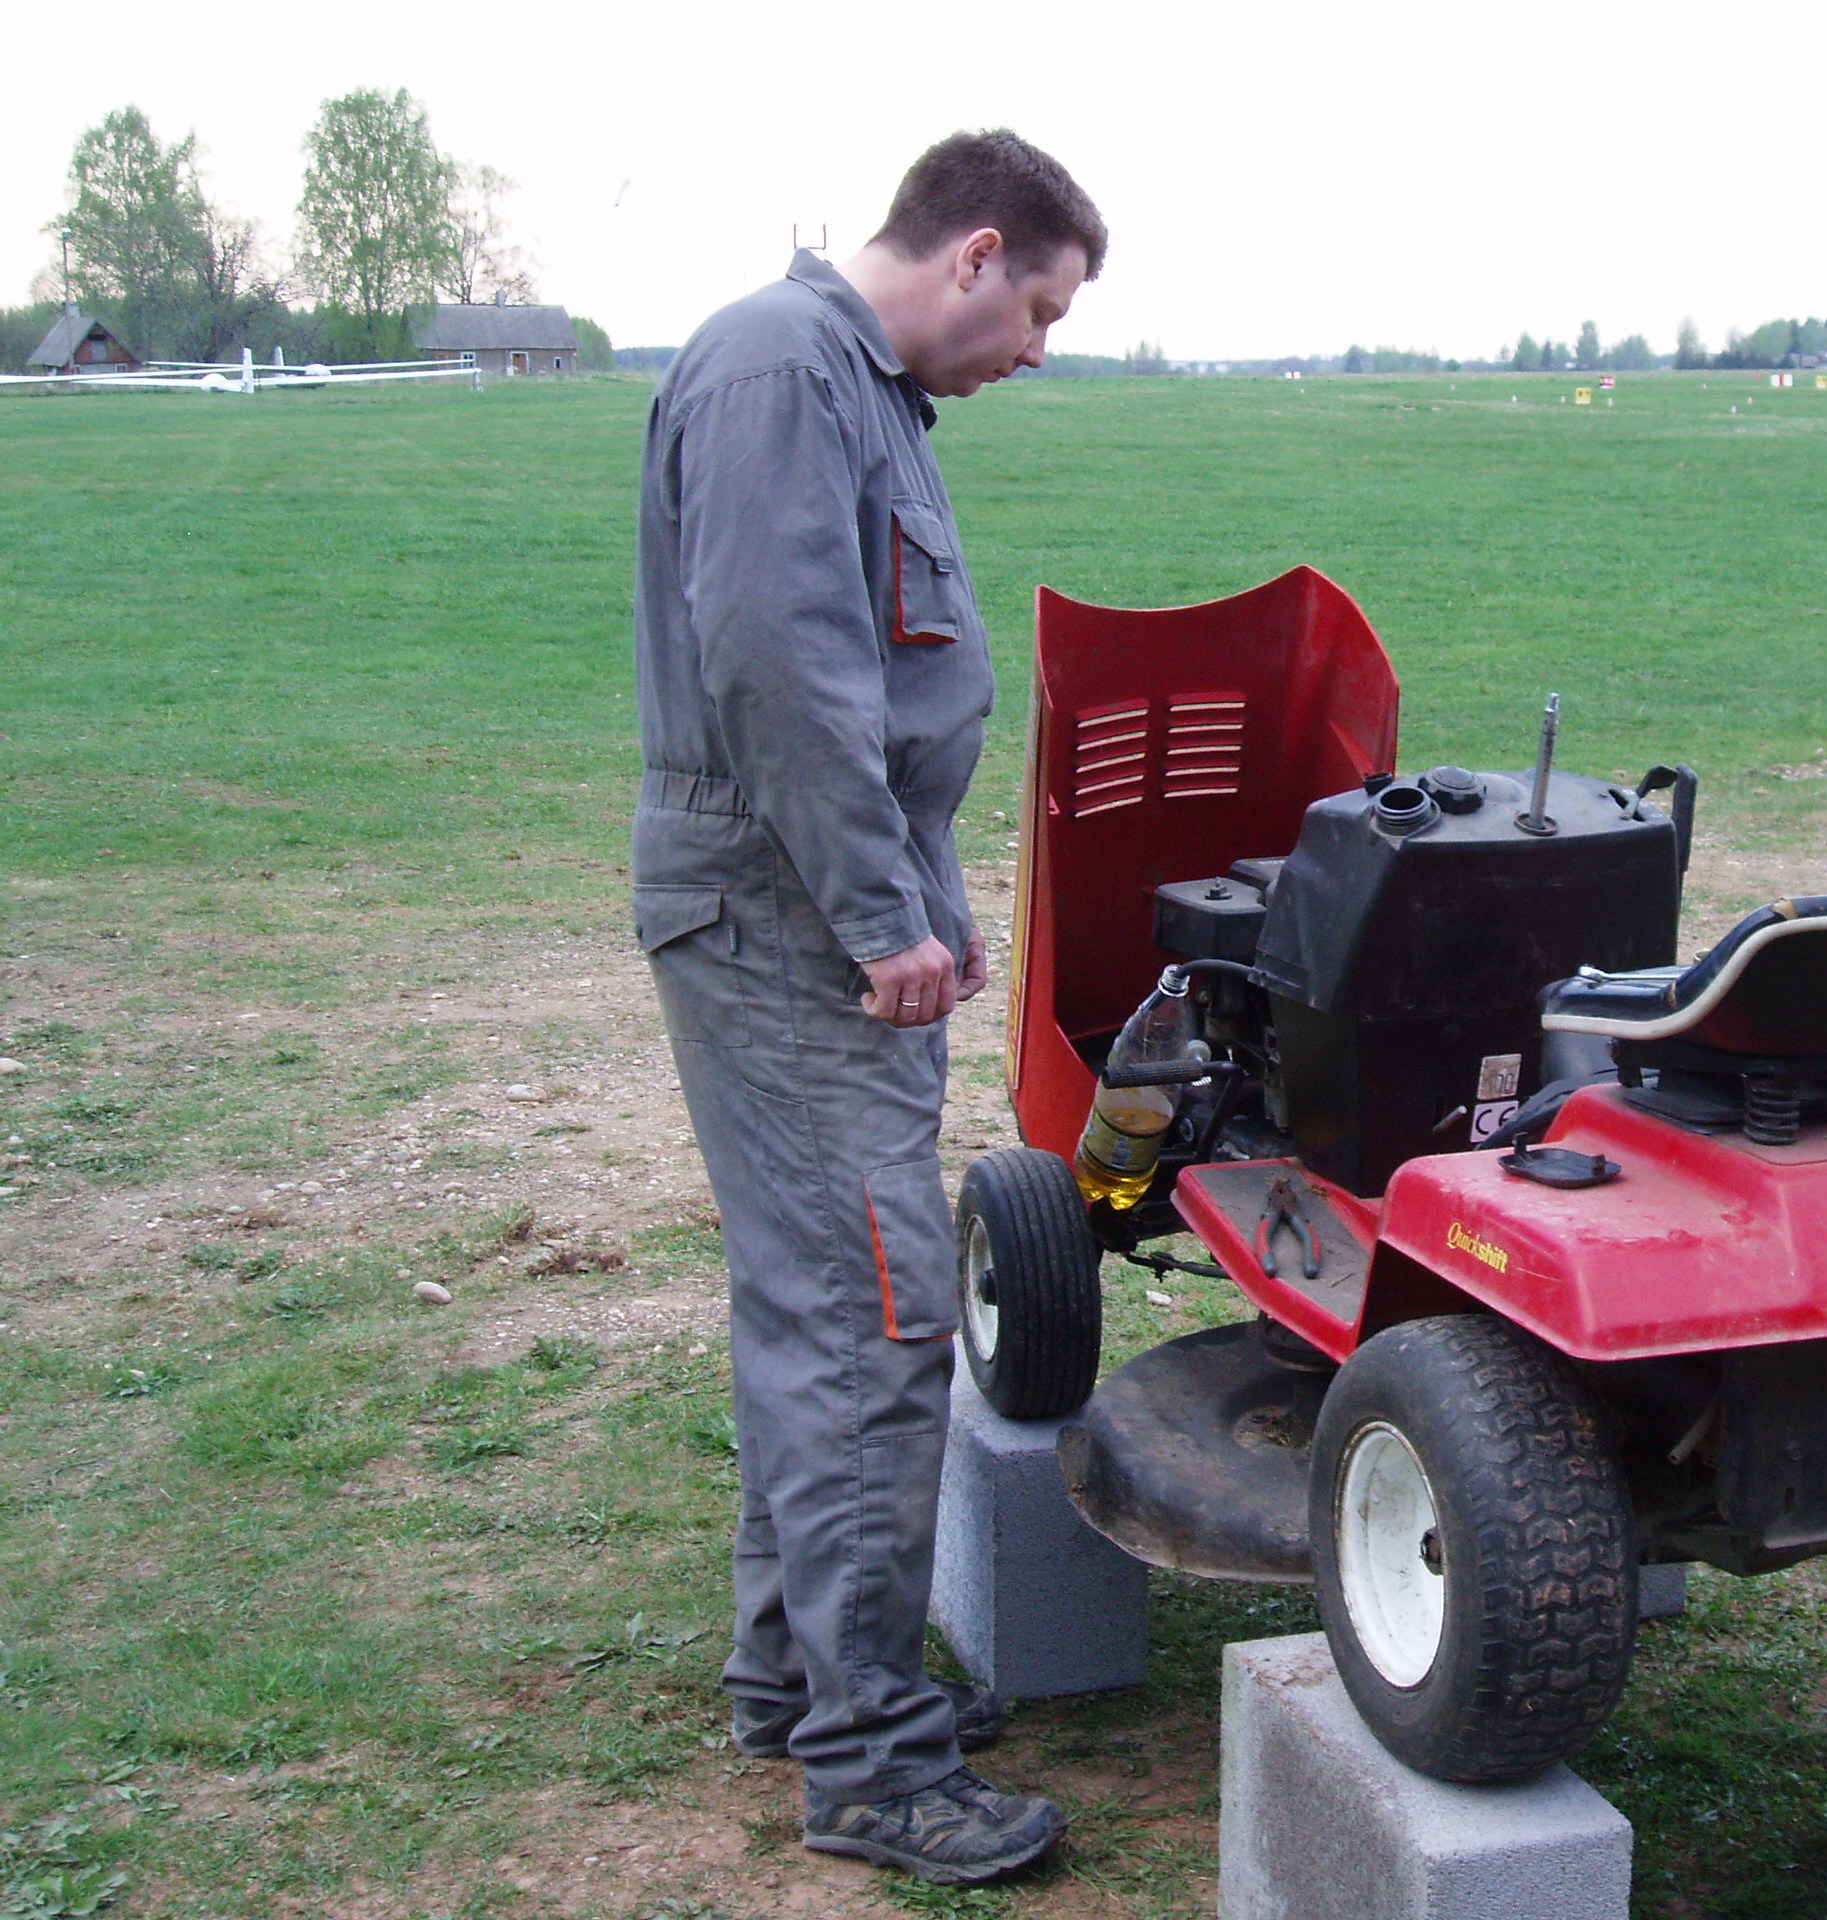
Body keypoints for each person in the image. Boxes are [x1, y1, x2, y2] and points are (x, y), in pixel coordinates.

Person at [629, 129, 1104, 1886]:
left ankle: (799, 1679)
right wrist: (874, 914)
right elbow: (780, 672)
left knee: (822, 1303)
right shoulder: (781, 368)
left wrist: (935, 904)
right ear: (974, 254)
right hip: (783, 914)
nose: (1038, 351)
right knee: (871, 1317)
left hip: (820, 901)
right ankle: (876, 1769)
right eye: (1039, 308)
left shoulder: (865, 392)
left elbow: (888, 696)